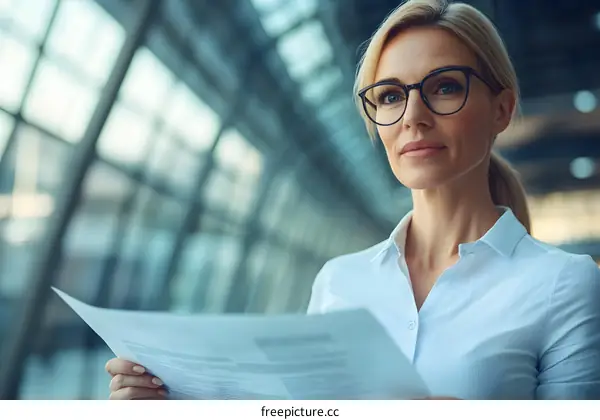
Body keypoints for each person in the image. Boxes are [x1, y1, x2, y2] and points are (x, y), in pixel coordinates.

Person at [105, 0, 600, 400]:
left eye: (444, 87)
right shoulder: (339, 281)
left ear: (502, 109)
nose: (413, 115)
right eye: (389, 96)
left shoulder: (565, 286)